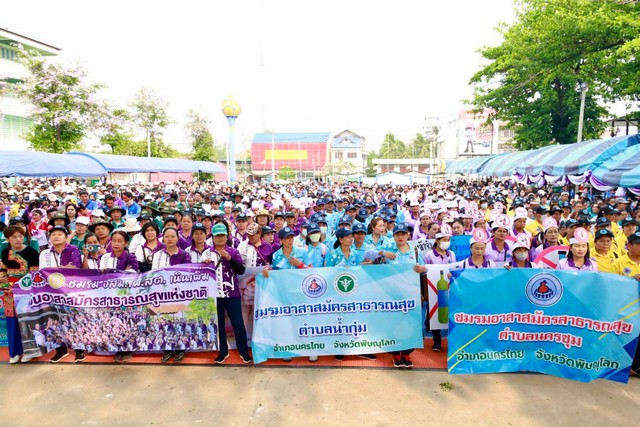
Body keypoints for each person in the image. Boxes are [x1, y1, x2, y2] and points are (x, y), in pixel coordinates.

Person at [266, 226, 317, 362]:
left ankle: (311, 349)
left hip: (301, 292)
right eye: (287, 238)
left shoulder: (302, 252)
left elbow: (312, 271)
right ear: (281, 240)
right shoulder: (276, 255)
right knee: (286, 322)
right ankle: (288, 349)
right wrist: (268, 270)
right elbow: (275, 272)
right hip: (284, 293)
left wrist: (300, 265)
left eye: (291, 237)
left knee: (305, 320)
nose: (290, 240)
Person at [209, 223, 253, 365]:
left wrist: (230, 259)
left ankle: (243, 351)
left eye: (222, 235)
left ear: (227, 236)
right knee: (219, 324)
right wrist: (204, 264)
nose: (220, 238)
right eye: (217, 236)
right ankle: (223, 351)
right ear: (213, 237)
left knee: (238, 323)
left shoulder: (233, 251)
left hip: (231, 293)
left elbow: (241, 270)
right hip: (214, 295)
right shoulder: (207, 253)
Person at [386, 223, 424, 368]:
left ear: (408, 235)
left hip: (411, 294)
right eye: (397, 234)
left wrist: (423, 269)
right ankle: (395, 353)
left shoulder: (415, 252)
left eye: (403, 234)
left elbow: (425, 271)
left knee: (411, 323)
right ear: (393, 236)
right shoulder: (389, 250)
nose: (400, 237)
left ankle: (407, 352)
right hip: (393, 294)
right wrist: (382, 253)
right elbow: (370, 255)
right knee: (394, 323)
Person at [98, 230, 140, 362]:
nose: (116, 244)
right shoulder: (105, 257)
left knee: (126, 322)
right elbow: (101, 274)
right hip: (109, 294)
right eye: (114, 241)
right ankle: (117, 348)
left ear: (126, 243)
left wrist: (114, 272)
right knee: (114, 322)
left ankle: (128, 349)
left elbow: (133, 273)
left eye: (120, 241)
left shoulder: (130, 257)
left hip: (125, 294)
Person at [151, 227, 191, 363]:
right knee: (166, 321)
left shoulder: (184, 255)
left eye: (172, 236)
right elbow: (154, 273)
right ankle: (167, 348)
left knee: (179, 321)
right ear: (163, 238)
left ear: (177, 238)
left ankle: (180, 348)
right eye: (167, 236)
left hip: (179, 293)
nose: (169, 239)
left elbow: (187, 274)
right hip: (162, 293)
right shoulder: (157, 255)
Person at [0, 226, 39, 363]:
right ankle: (15, 352)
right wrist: (6, 286)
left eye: (20, 236)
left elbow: (33, 275)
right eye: (14, 237)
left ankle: (31, 351)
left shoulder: (32, 252)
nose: (18, 239)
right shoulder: (5, 252)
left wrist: (20, 288)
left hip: (26, 291)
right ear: (8, 239)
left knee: (27, 320)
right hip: (8, 293)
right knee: (12, 322)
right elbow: (3, 271)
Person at [611, 231, 640, 376]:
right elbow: (611, 284)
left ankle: (636, 367)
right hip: (626, 308)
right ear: (629, 246)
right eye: (638, 244)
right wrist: (629, 281)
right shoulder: (619, 263)